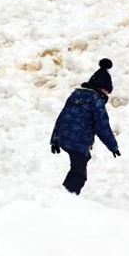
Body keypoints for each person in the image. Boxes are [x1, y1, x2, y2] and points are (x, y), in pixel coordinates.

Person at [50, 59, 120, 195]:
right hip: (79, 142)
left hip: (65, 139)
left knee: (78, 166)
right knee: (79, 176)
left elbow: (61, 117)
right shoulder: (97, 101)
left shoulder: (74, 95)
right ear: (101, 88)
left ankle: (62, 194)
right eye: (106, 91)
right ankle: (65, 199)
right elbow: (102, 127)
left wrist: (55, 140)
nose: (106, 95)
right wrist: (113, 147)